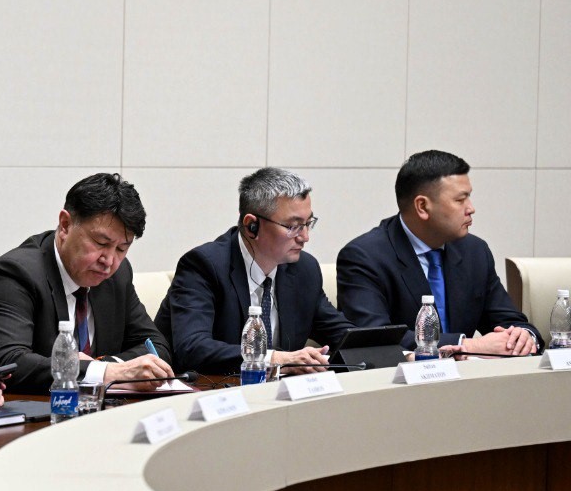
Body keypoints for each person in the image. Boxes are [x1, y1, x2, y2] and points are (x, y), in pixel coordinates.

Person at [0, 173, 174, 394]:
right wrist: (106, 372)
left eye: (121, 248)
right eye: (101, 243)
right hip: (9, 409)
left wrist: (105, 366)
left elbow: (156, 346)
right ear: (65, 225)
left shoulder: (117, 275)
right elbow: (11, 364)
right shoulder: (14, 274)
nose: (109, 260)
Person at [336, 150, 540, 355]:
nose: (471, 208)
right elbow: (374, 338)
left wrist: (523, 337)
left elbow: (510, 321)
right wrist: (467, 345)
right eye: (460, 200)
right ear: (423, 206)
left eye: (469, 197)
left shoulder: (475, 251)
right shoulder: (364, 257)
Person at [156, 167, 354, 375]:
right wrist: (275, 359)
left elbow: (343, 334)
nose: (305, 237)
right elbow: (193, 348)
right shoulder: (204, 266)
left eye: (307, 224)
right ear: (252, 226)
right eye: (293, 226)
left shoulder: (304, 270)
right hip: (210, 389)